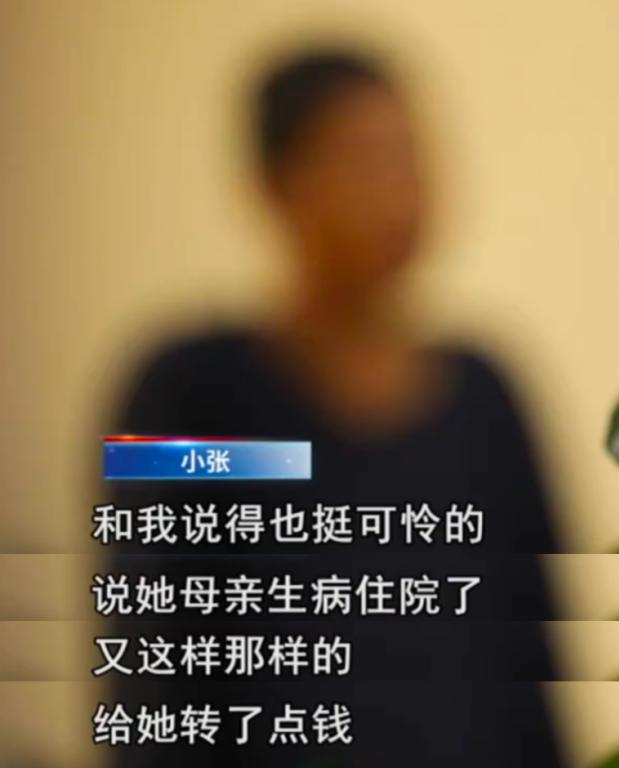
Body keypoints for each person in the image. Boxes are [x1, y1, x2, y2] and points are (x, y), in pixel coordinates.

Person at [105, 47, 564, 767]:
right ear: (275, 186)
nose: (400, 191)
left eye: (410, 157)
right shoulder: (187, 392)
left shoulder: (485, 396)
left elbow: (531, 660)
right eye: (363, 160)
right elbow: (154, 669)